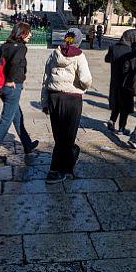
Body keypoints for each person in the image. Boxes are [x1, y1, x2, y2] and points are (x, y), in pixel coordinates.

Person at [41, 28, 92, 183]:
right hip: (72, 99)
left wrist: (44, 102)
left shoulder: (53, 54)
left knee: (59, 135)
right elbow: (85, 78)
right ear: (78, 41)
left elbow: (46, 79)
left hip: (54, 97)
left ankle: (68, 164)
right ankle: (56, 170)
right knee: (68, 136)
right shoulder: (79, 56)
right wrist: (84, 86)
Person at [0, 22, 38, 166]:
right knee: (5, 121)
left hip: (4, 88)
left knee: (17, 116)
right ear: (22, 34)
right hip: (13, 87)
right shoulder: (21, 48)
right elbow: (15, 63)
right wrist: (9, 80)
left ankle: (27, 145)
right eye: (29, 32)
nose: (31, 35)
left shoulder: (5, 46)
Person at [105, 30, 136, 135]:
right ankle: (121, 128)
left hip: (115, 80)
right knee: (125, 106)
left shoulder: (113, 47)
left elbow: (107, 59)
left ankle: (112, 120)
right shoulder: (130, 50)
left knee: (116, 103)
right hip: (126, 82)